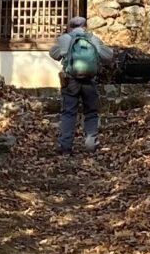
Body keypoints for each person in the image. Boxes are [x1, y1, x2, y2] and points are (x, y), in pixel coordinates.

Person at [49, 14, 114, 154]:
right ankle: (91, 144)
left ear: (70, 27)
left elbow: (53, 54)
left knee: (69, 112)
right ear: (85, 27)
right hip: (89, 81)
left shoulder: (65, 39)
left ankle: (65, 145)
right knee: (91, 112)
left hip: (71, 80)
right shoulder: (93, 39)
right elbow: (108, 56)